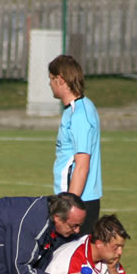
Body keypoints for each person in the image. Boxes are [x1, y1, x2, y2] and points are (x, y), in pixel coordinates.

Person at [48, 54, 102, 235]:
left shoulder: (80, 115)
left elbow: (82, 165)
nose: (50, 84)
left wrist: (70, 207)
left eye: (51, 79)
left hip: (78, 202)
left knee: (72, 259)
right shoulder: (74, 110)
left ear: (61, 80)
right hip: (71, 199)